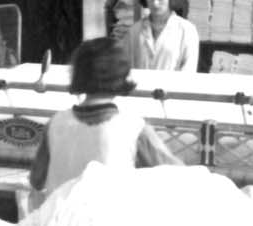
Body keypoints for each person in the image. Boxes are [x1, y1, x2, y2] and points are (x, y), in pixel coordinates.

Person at [29, 37, 180, 199]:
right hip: (110, 215)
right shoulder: (133, 128)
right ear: (122, 75)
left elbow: (36, 180)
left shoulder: (55, 124)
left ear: (78, 75)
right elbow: (175, 176)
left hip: (57, 214)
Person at [130, 0, 200, 73]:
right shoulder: (135, 30)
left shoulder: (187, 30)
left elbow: (189, 69)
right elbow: (128, 67)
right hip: (139, 83)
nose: (155, 3)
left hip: (174, 83)